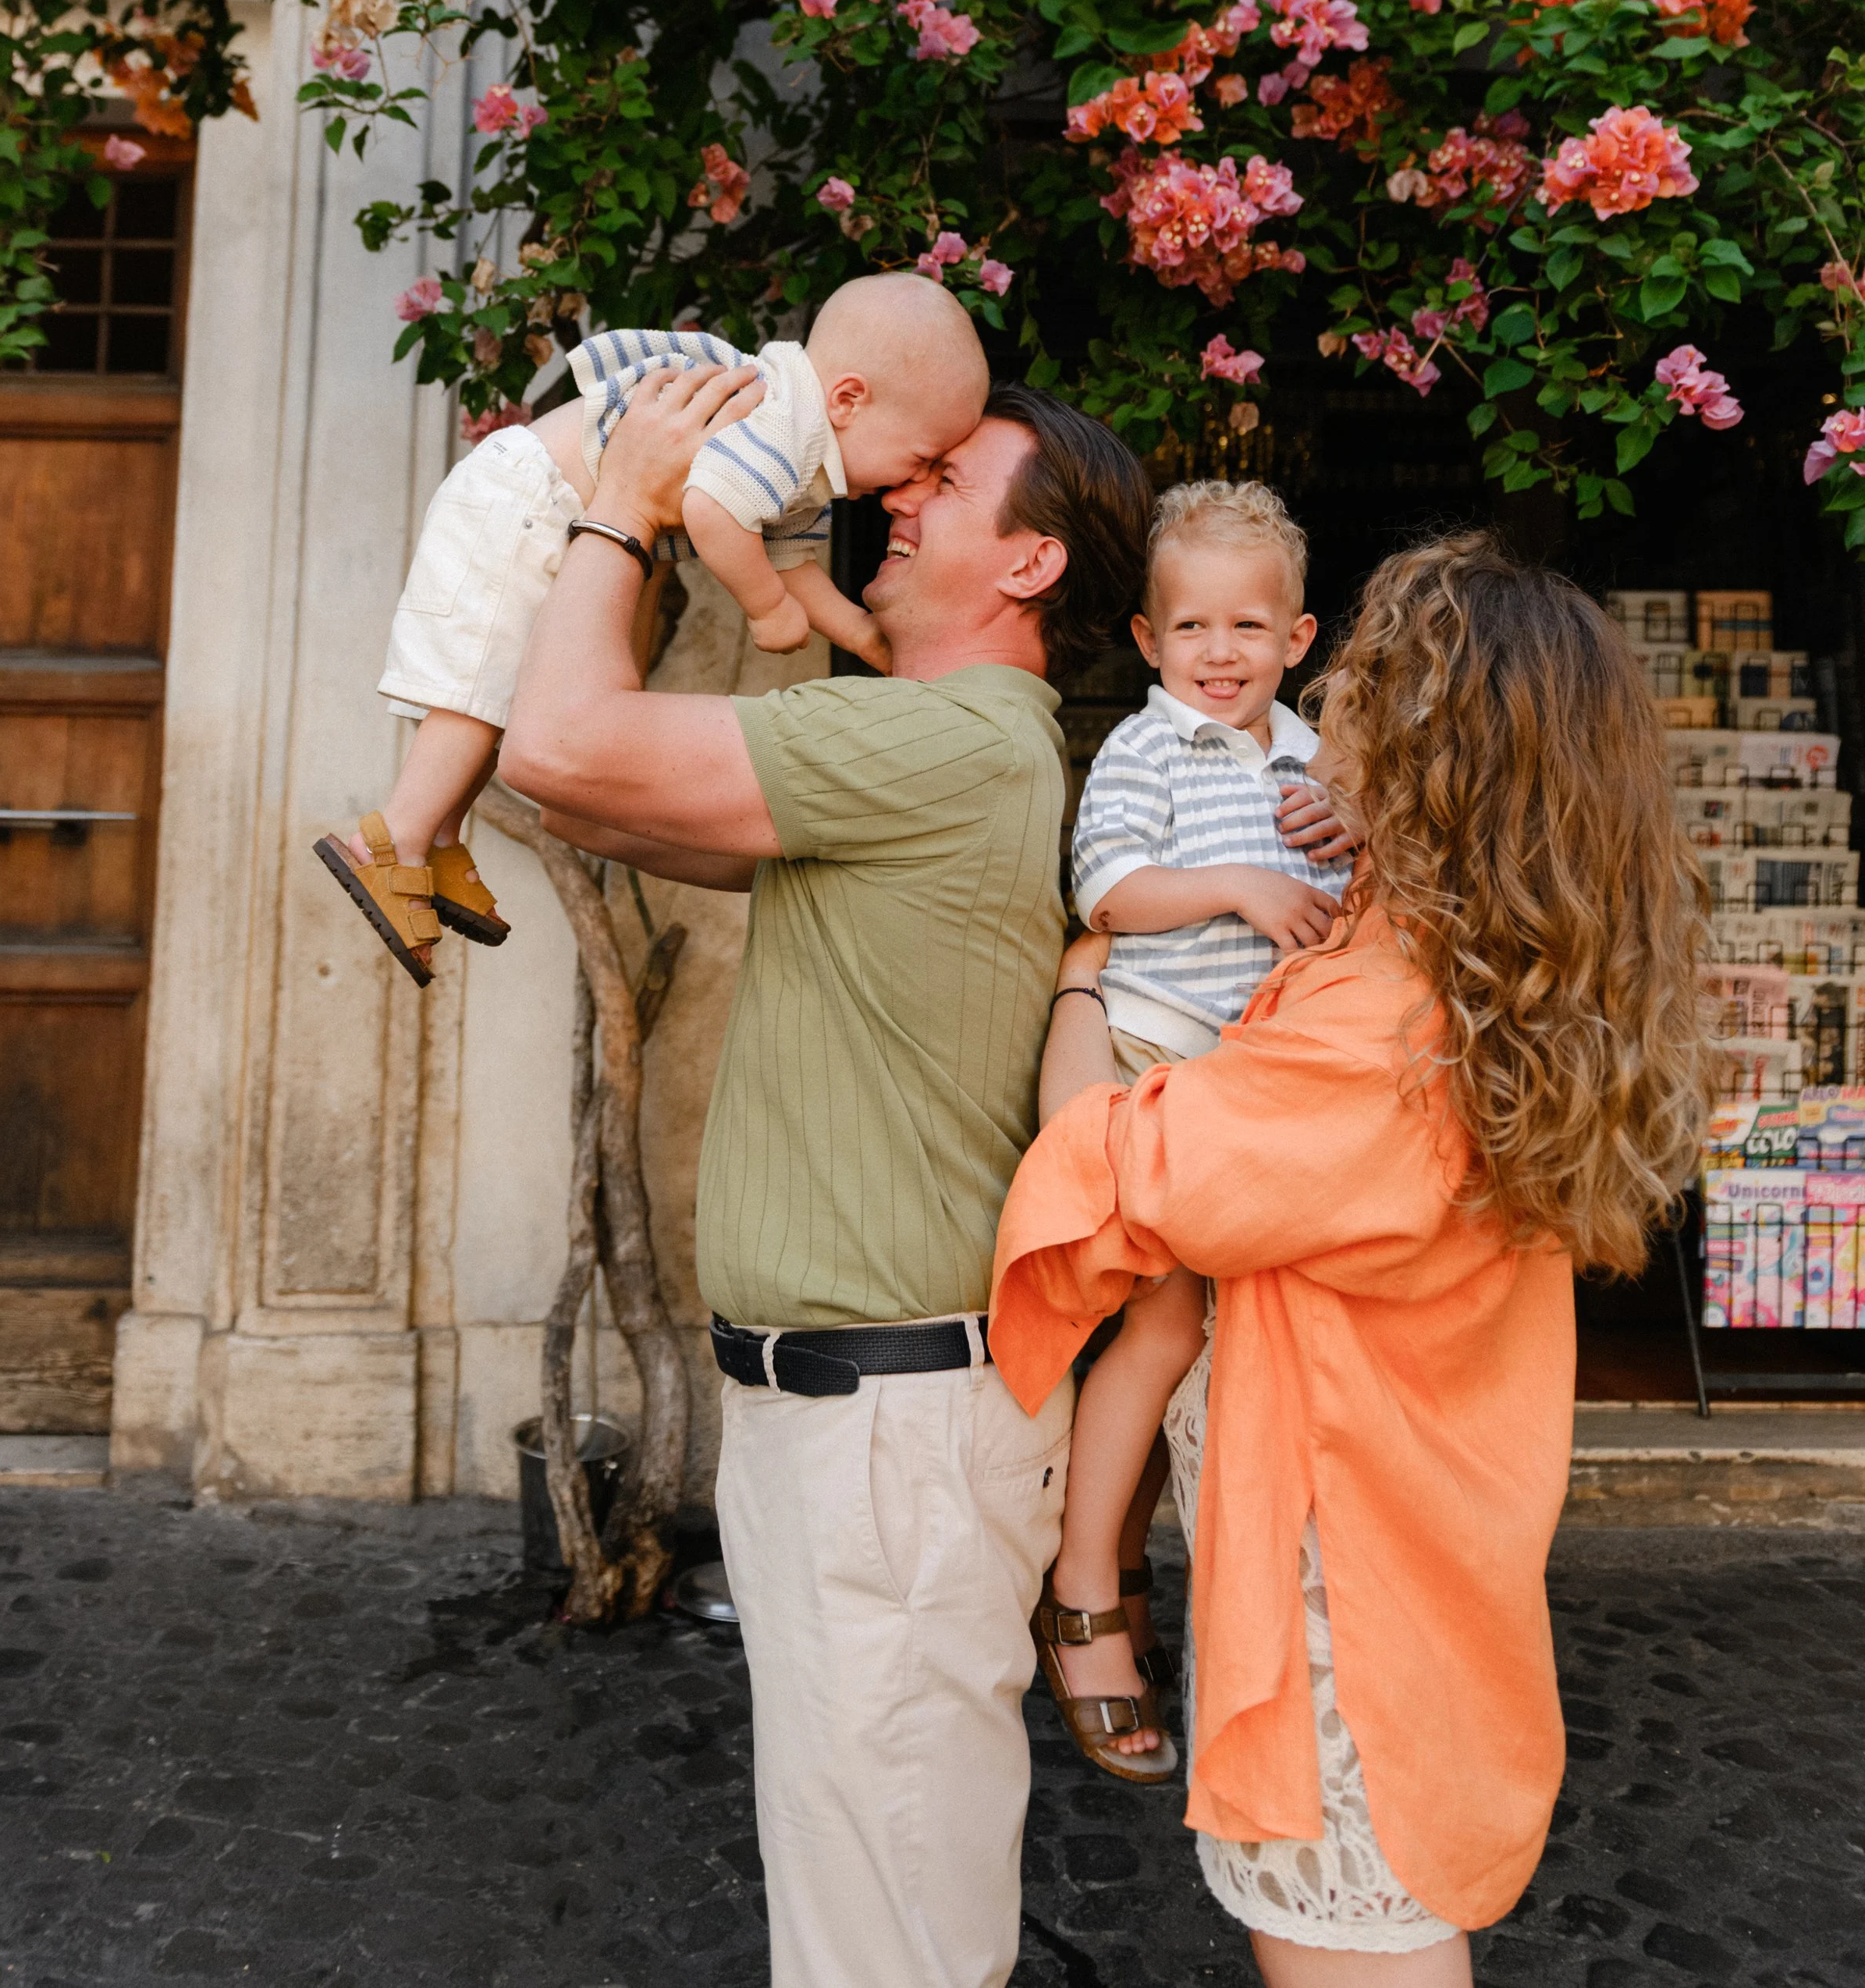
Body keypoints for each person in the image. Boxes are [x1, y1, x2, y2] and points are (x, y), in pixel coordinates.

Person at [496, 357, 1153, 1988]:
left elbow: (562, 741)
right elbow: (574, 787)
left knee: (888, 1934)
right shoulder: (916, 749)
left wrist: (624, 498)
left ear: (1032, 561)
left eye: (947, 480)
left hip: (891, 1436)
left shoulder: (943, 748)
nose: (895, 490)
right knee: (871, 1901)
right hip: (857, 1428)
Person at [991, 534, 1712, 1982]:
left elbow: (1113, 1153)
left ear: (1423, 752)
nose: (1331, 708)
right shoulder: (1476, 968)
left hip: (1347, 1620)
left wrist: (1085, 970)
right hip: (1416, 1570)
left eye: (1364, 690)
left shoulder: (1385, 1021)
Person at [314, 273, 990, 982]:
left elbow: (791, 562)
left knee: (503, 694)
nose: (906, 486)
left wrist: (858, 634)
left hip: (552, 508)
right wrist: (764, 608)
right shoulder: (777, 419)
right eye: (919, 459)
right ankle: (391, 840)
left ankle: (441, 836)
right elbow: (711, 513)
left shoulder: (808, 452)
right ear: (849, 399)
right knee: (475, 689)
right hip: (527, 496)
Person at [1039, 480, 1352, 1782]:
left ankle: (1146, 1573)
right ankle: (1080, 1591)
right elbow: (1105, 886)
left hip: (1263, 1091)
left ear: (1299, 636)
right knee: (1165, 1326)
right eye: (1190, 629)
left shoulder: (1316, 755)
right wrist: (1232, 881)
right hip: (1159, 1065)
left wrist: (1361, 829)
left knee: (1233, 1349)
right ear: (1148, 637)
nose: (1218, 652)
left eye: (1248, 626)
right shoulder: (1149, 750)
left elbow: (1342, 903)